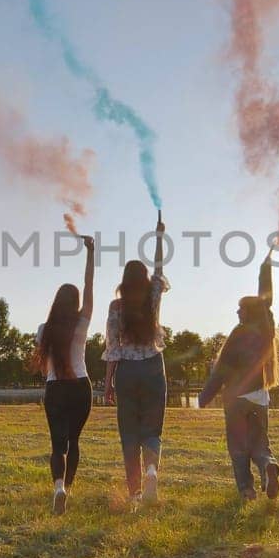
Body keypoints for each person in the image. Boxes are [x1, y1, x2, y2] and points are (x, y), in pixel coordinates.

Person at [198, 245, 279, 501]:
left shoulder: (239, 333)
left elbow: (222, 369)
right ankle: (267, 464)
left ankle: (246, 490)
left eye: (241, 308)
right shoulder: (267, 331)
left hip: (236, 399)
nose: (237, 312)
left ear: (249, 312)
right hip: (259, 397)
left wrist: (205, 396)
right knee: (259, 442)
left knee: (238, 447)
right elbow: (266, 299)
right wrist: (265, 267)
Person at [103, 211, 171, 507]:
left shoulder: (116, 307)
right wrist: (158, 236)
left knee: (129, 432)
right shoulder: (153, 296)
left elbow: (112, 347)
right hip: (154, 366)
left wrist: (107, 385)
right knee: (152, 428)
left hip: (127, 371)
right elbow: (159, 267)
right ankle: (152, 470)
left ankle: (134, 495)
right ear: (143, 279)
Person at [32, 233, 96, 515]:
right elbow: (89, 285)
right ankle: (67, 489)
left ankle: (58, 487)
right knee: (74, 441)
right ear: (76, 302)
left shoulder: (43, 330)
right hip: (81, 387)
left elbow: (44, 359)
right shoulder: (83, 321)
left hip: (56, 389)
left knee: (58, 444)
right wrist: (90, 252)